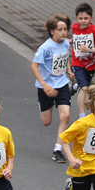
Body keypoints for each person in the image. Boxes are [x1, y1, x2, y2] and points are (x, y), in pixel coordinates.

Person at [31, 14, 73, 162]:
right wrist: (44, 85)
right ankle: (45, 103)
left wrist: (69, 70)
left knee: (65, 116)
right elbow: (34, 66)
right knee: (46, 122)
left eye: (65, 29)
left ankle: (58, 149)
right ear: (51, 31)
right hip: (46, 87)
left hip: (61, 84)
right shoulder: (45, 48)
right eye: (60, 30)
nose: (63, 32)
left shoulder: (66, 44)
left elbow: (65, 57)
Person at [70, 2, 95, 117]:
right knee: (85, 88)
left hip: (90, 64)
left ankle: (76, 85)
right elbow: (76, 37)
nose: (83, 21)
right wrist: (70, 41)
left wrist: (89, 50)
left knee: (85, 85)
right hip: (77, 62)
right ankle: (82, 114)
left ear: (91, 18)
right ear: (76, 18)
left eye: (86, 18)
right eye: (80, 18)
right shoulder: (75, 27)